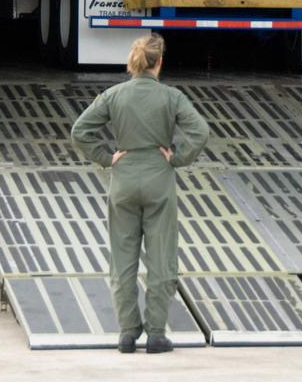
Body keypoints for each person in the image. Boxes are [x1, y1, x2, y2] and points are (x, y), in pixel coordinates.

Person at [70, 34, 209, 354]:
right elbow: (200, 131)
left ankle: (127, 333)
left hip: (124, 178)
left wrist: (106, 157)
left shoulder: (114, 95)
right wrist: (177, 157)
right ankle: (156, 333)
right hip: (159, 179)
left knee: (122, 259)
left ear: (133, 62)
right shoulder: (172, 97)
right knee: (161, 257)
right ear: (159, 62)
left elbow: (80, 131)